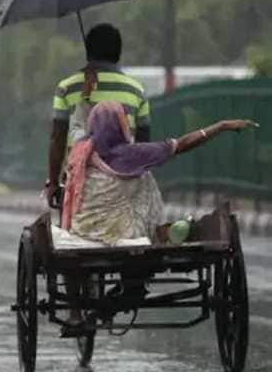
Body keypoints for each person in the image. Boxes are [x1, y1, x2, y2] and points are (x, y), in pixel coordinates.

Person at [59, 100, 256, 324]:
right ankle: (124, 296)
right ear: (123, 125)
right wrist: (221, 126)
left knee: (69, 255)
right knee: (143, 180)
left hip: (86, 232)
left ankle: (76, 313)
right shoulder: (136, 153)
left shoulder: (80, 153)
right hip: (130, 236)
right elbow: (182, 144)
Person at [46, 23, 151, 207]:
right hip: (123, 186)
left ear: (88, 52)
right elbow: (143, 144)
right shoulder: (137, 90)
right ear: (118, 53)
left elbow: (58, 137)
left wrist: (53, 182)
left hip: (79, 185)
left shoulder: (67, 88)